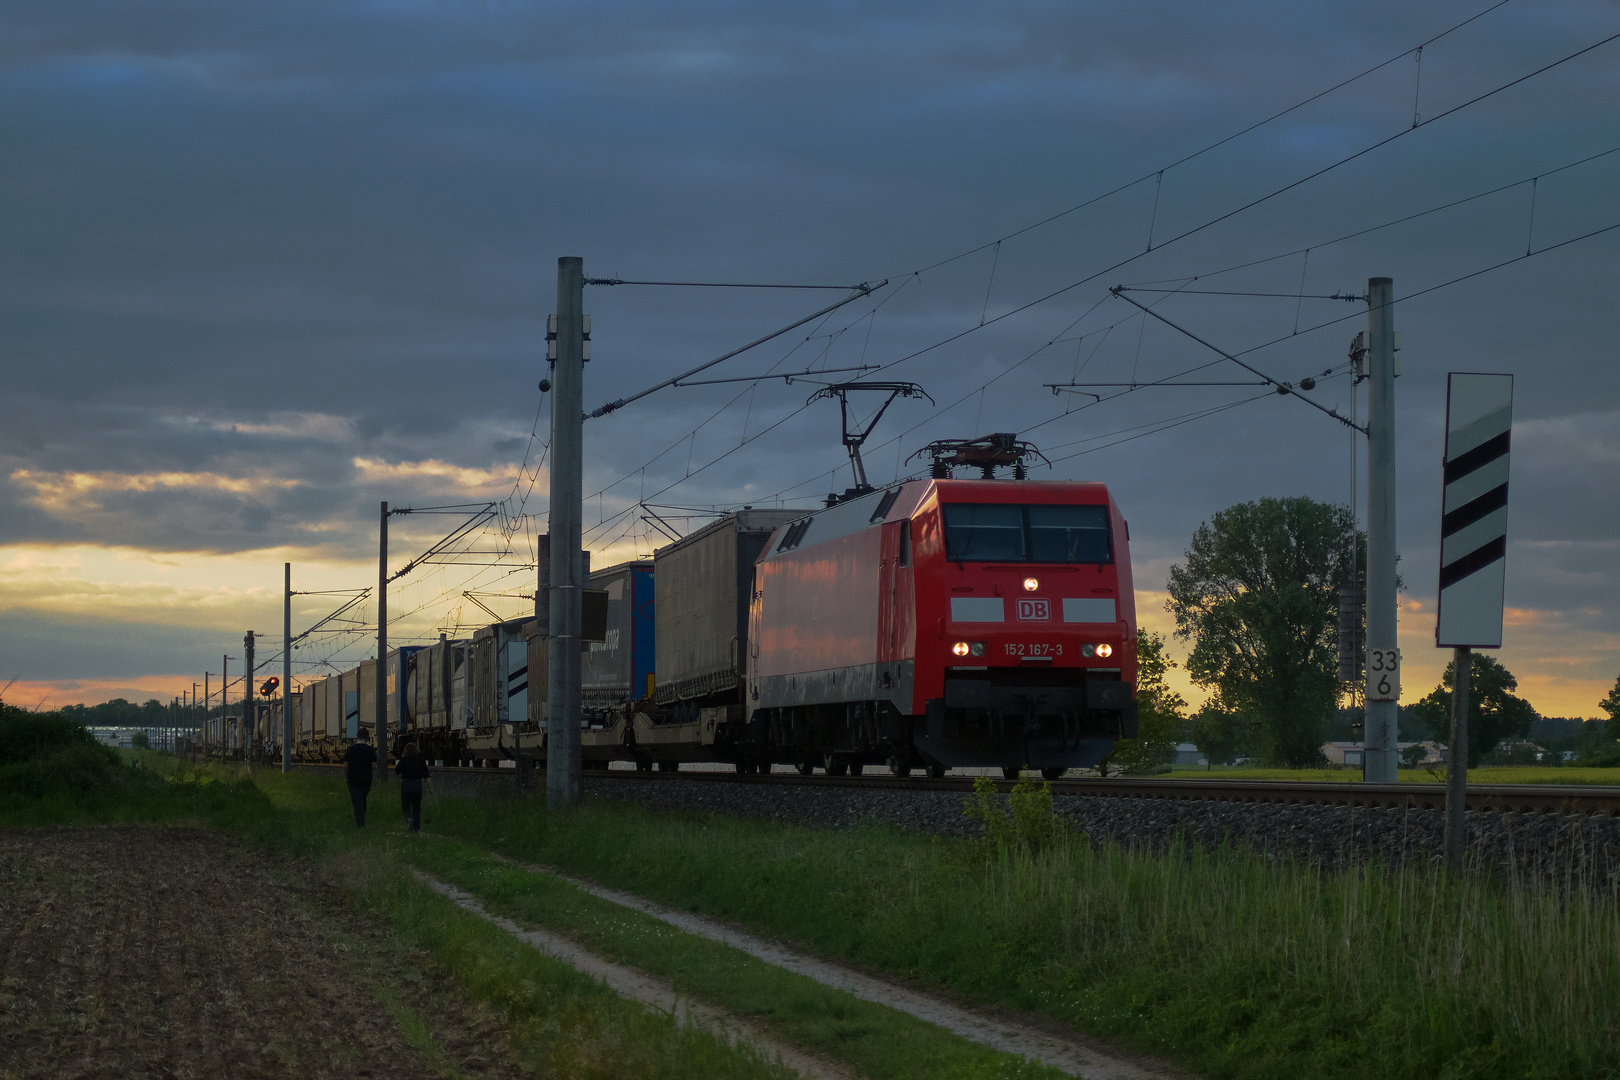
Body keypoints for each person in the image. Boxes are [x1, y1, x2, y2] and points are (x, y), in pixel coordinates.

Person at [342, 729, 377, 827]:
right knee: (363, 799)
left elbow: (345, 765)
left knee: (357, 801)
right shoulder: (370, 750)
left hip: (353, 779)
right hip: (366, 779)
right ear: (367, 738)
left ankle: (360, 823)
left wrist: (347, 777)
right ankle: (362, 818)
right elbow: (374, 765)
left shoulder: (351, 750)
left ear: (357, 737)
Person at [395, 741, 431, 833]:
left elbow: (396, 771)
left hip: (406, 784)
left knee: (406, 806)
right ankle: (416, 828)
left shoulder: (403, 760)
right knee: (416, 807)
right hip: (417, 784)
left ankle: (409, 819)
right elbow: (426, 776)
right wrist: (430, 788)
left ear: (405, 751)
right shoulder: (421, 761)